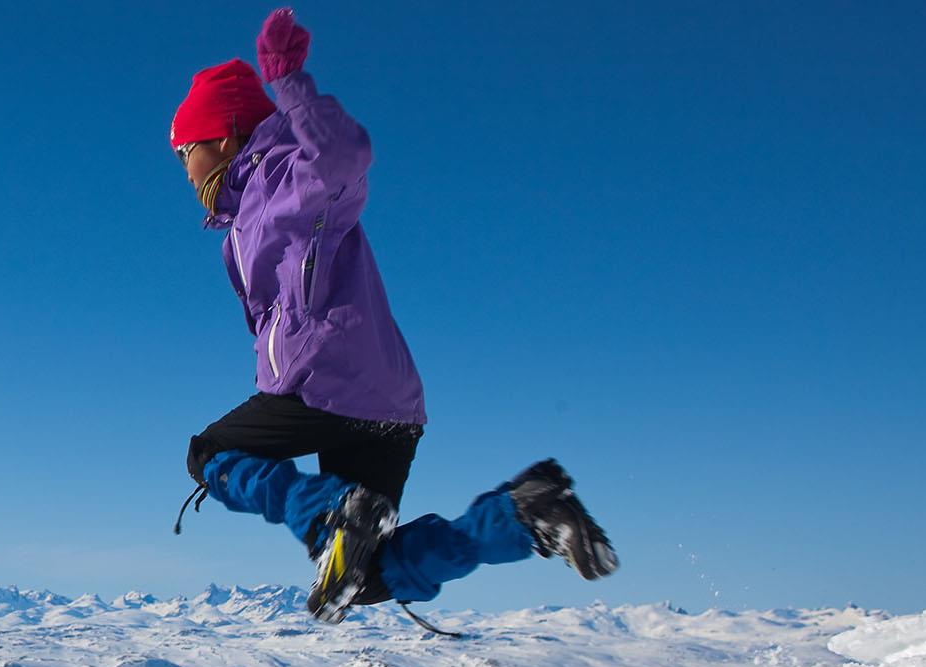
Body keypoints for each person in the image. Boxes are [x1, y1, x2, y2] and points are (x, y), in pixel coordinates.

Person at [171, 8, 617, 625]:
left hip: (326, 382)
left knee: (210, 452)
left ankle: (326, 510)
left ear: (223, 138)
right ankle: (523, 516)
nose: (183, 164)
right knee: (367, 573)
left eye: (186, 148)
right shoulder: (244, 223)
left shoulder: (280, 179)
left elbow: (345, 156)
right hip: (385, 406)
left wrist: (290, 82)